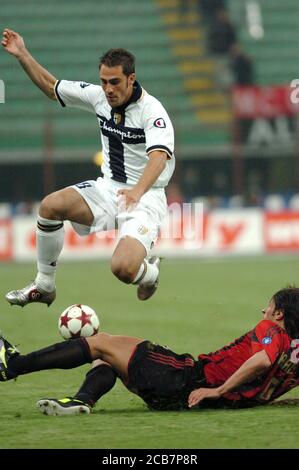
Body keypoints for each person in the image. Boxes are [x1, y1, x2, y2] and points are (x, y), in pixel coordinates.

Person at [1, 28, 175, 305]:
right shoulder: (98, 97)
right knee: (50, 206)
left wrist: (137, 192)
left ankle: (150, 273)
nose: (108, 89)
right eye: (104, 81)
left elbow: (159, 157)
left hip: (146, 197)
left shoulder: (153, 112)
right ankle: (44, 285)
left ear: (131, 79)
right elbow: (51, 87)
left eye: (115, 82)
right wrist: (22, 54)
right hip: (108, 189)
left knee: (123, 269)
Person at [1, 287, 299, 415]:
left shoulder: (270, 330)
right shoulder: (295, 359)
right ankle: (81, 401)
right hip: (186, 400)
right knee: (109, 357)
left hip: (186, 380)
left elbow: (261, 360)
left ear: (280, 314)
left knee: (102, 342)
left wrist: (218, 390)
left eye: (269, 306)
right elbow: (269, 375)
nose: (264, 310)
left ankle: (13, 364)